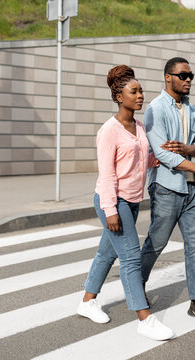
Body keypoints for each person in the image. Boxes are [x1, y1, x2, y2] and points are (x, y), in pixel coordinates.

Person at [77, 65, 174, 341]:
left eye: (141, 90)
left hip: (131, 201)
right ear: (120, 96)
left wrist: (168, 153)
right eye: (134, 91)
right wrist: (110, 210)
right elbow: (106, 173)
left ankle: (86, 301)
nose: (141, 95)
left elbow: (146, 160)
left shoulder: (140, 126)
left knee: (107, 254)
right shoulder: (109, 130)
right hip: (113, 200)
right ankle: (144, 318)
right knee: (131, 257)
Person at [141, 57, 195, 323]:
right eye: (183, 75)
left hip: (192, 190)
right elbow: (163, 154)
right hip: (166, 187)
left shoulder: (191, 109)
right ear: (168, 77)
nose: (189, 80)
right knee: (156, 243)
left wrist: (189, 149)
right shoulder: (155, 109)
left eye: (191, 76)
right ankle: (136, 285)